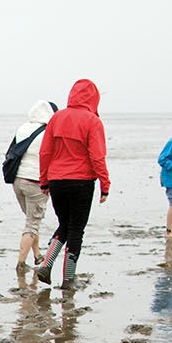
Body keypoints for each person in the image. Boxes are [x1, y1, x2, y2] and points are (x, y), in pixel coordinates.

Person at [34, 79, 112, 288]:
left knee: (65, 225)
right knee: (76, 229)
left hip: (56, 180)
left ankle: (46, 265)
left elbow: (45, 153)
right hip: (82, 182)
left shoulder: (56, 118)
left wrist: (44, 181)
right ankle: (69, 278)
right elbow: (97, 156)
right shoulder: (92, 121)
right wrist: (105, 184)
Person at [8, 99, 56, 273]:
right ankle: (20, 264)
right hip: (36, 181)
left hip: (18, 180)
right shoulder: (49, 132)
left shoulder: (22, 128)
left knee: (31, 220)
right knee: (32, 223)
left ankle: (37, 255)